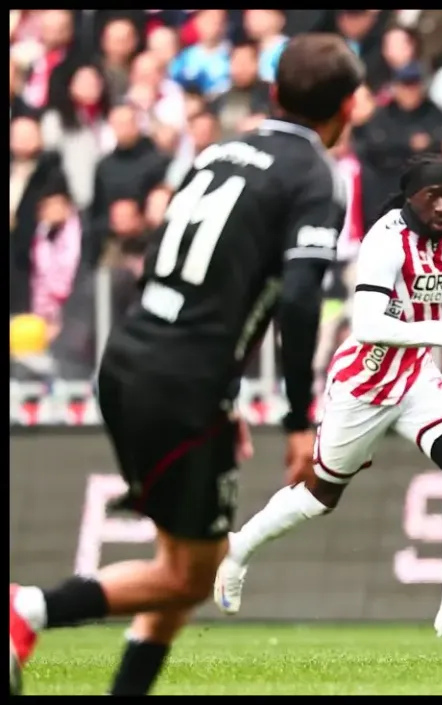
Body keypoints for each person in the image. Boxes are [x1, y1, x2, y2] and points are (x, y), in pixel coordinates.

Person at [9, 33, 364, 696]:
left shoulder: (219, 153)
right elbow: (297, 296)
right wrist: (298, 420)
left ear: (275, 92)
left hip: (135, 360)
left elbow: (173, 265)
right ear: (348, 105)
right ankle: (24, 609)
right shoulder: (315, 174)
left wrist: (223, 396)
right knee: (189, 575)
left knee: (177, 570)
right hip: (182, 381)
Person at [213, 154, 442, 645]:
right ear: (409, 198)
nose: (441, 206)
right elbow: (368, 324)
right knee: (320, 494)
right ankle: (238, 549)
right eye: (430, 196)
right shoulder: (383, 242)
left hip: (415, 378)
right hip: (364, 384)